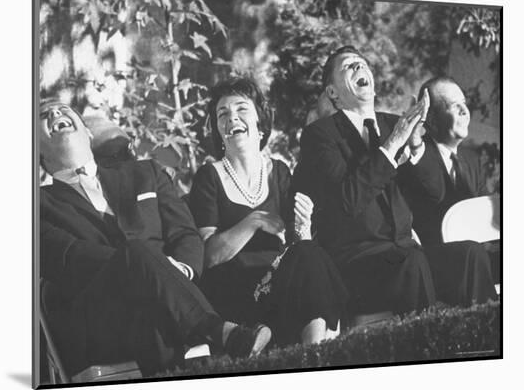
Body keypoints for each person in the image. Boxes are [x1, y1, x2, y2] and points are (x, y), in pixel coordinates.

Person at [39, 101, 272, 378]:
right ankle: (216, 330)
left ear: (88, 132)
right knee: (137, 253)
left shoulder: (145, 173)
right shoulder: (34, 206)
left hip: (163, 310)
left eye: (64, 109)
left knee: (150, 309)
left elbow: (184, 234)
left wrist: (179, 271)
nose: (56, 113)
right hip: (99, 323)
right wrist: (145, 268)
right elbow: (70, 257)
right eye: (43, 115)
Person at [296, 46, 496, 315]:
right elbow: (348, 201)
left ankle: (486, 340)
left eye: (362, 64)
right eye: (348, 66)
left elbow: (434, 193)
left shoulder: (396, 123)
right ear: (333, 93)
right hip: (359, 265)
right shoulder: (320, 135)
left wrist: (416, 149)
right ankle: (429, 350)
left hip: (407, 254)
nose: (359, 67)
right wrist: (392, 145)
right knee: (412, 262)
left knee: (470, 255)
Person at [189, 77, 348, 346]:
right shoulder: (208, 178)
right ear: (218, 130)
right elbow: (208, 256)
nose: (232, 118)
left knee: (310, 251)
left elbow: (295, 245)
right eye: (222, 114)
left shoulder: (280, 172)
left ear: (260, 125)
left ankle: (315, 354)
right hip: (236, 294)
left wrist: (303, 226)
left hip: (281, 288)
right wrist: (252, 222)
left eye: (241, 109)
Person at [398, 76, 500, 281]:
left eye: (464, 103)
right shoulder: (415, 153)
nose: (465, 111)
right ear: (432, 119)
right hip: (437, 262)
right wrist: (416, 144)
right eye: (455, 106)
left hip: (477, 256)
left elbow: (482, 211)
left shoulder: (472, 159)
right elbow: (433, 190)